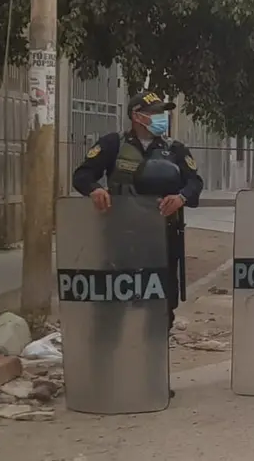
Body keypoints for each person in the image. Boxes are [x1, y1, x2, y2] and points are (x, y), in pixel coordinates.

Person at [72, 91, 203, 330]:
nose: (162, 117)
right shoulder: (114, 144)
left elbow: (195, 183)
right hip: (121, 236)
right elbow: (82, 175)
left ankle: (154, 359)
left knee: (160, 305)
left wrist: (181, 197)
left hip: (162, 238)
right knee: (114, 303)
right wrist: (95, 190)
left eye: (163, 113)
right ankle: (110, 359)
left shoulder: (175, 149)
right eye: (155, 113)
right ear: (137, 116)